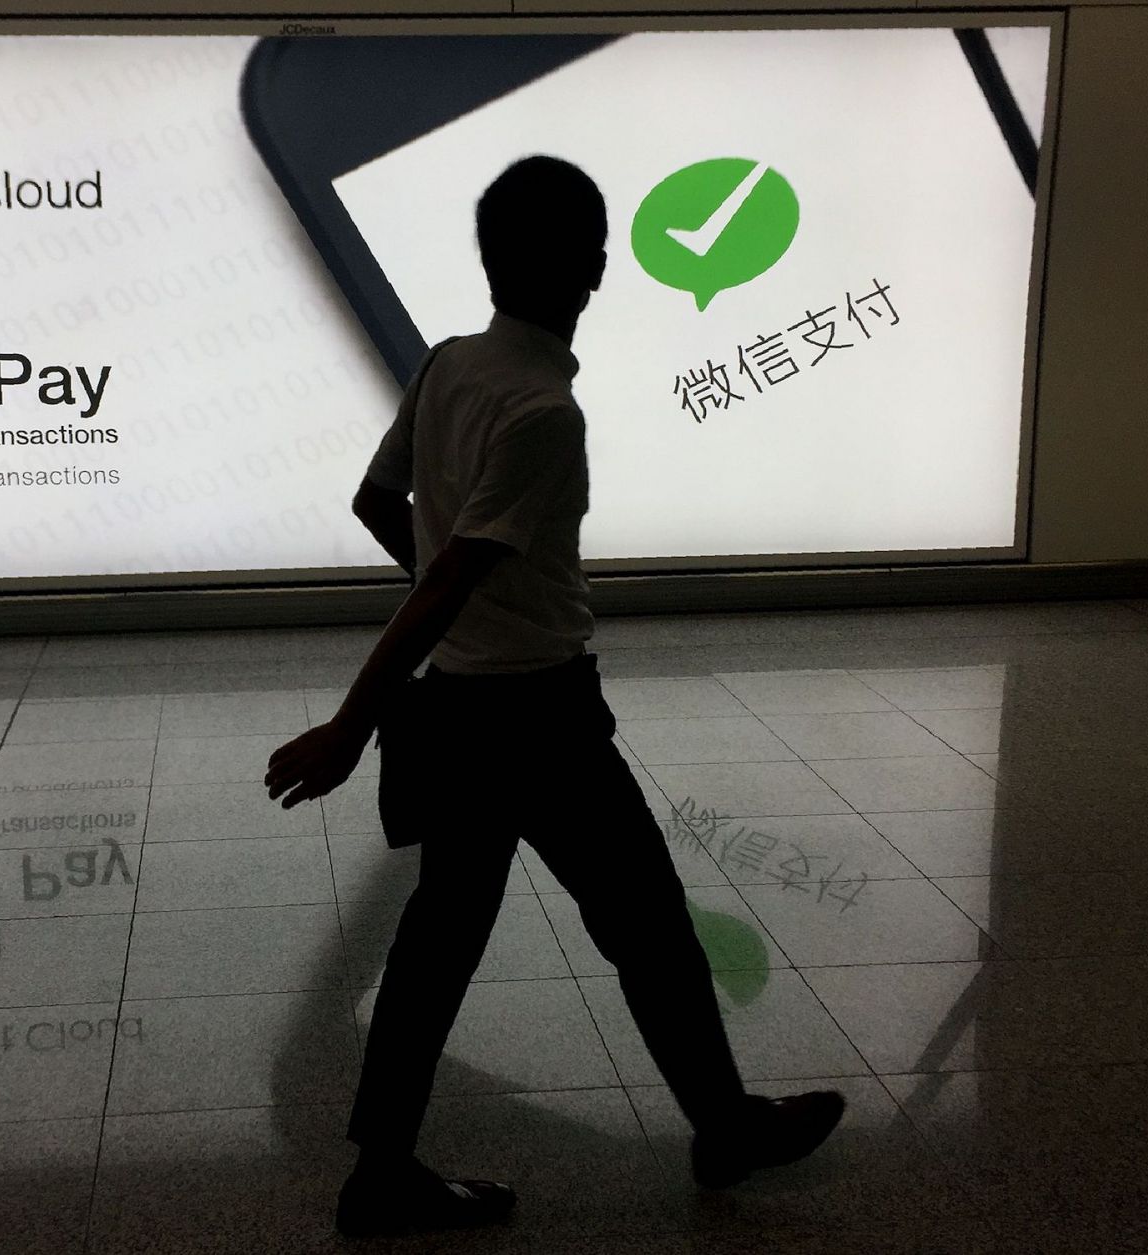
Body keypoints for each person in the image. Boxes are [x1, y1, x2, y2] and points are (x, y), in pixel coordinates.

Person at [264, 155, 844, 1240]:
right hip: (541, 719)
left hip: (457, 712)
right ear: (594, 265)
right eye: (601, 239)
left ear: (491, 261)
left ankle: (382, 1170)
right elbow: (444, 572)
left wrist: (462, 605)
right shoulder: (542, 411)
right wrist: (355, 718)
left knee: (440, 945)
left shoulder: (447, 367)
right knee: (651, 930)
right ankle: (721, 1126)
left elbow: (380, 503)